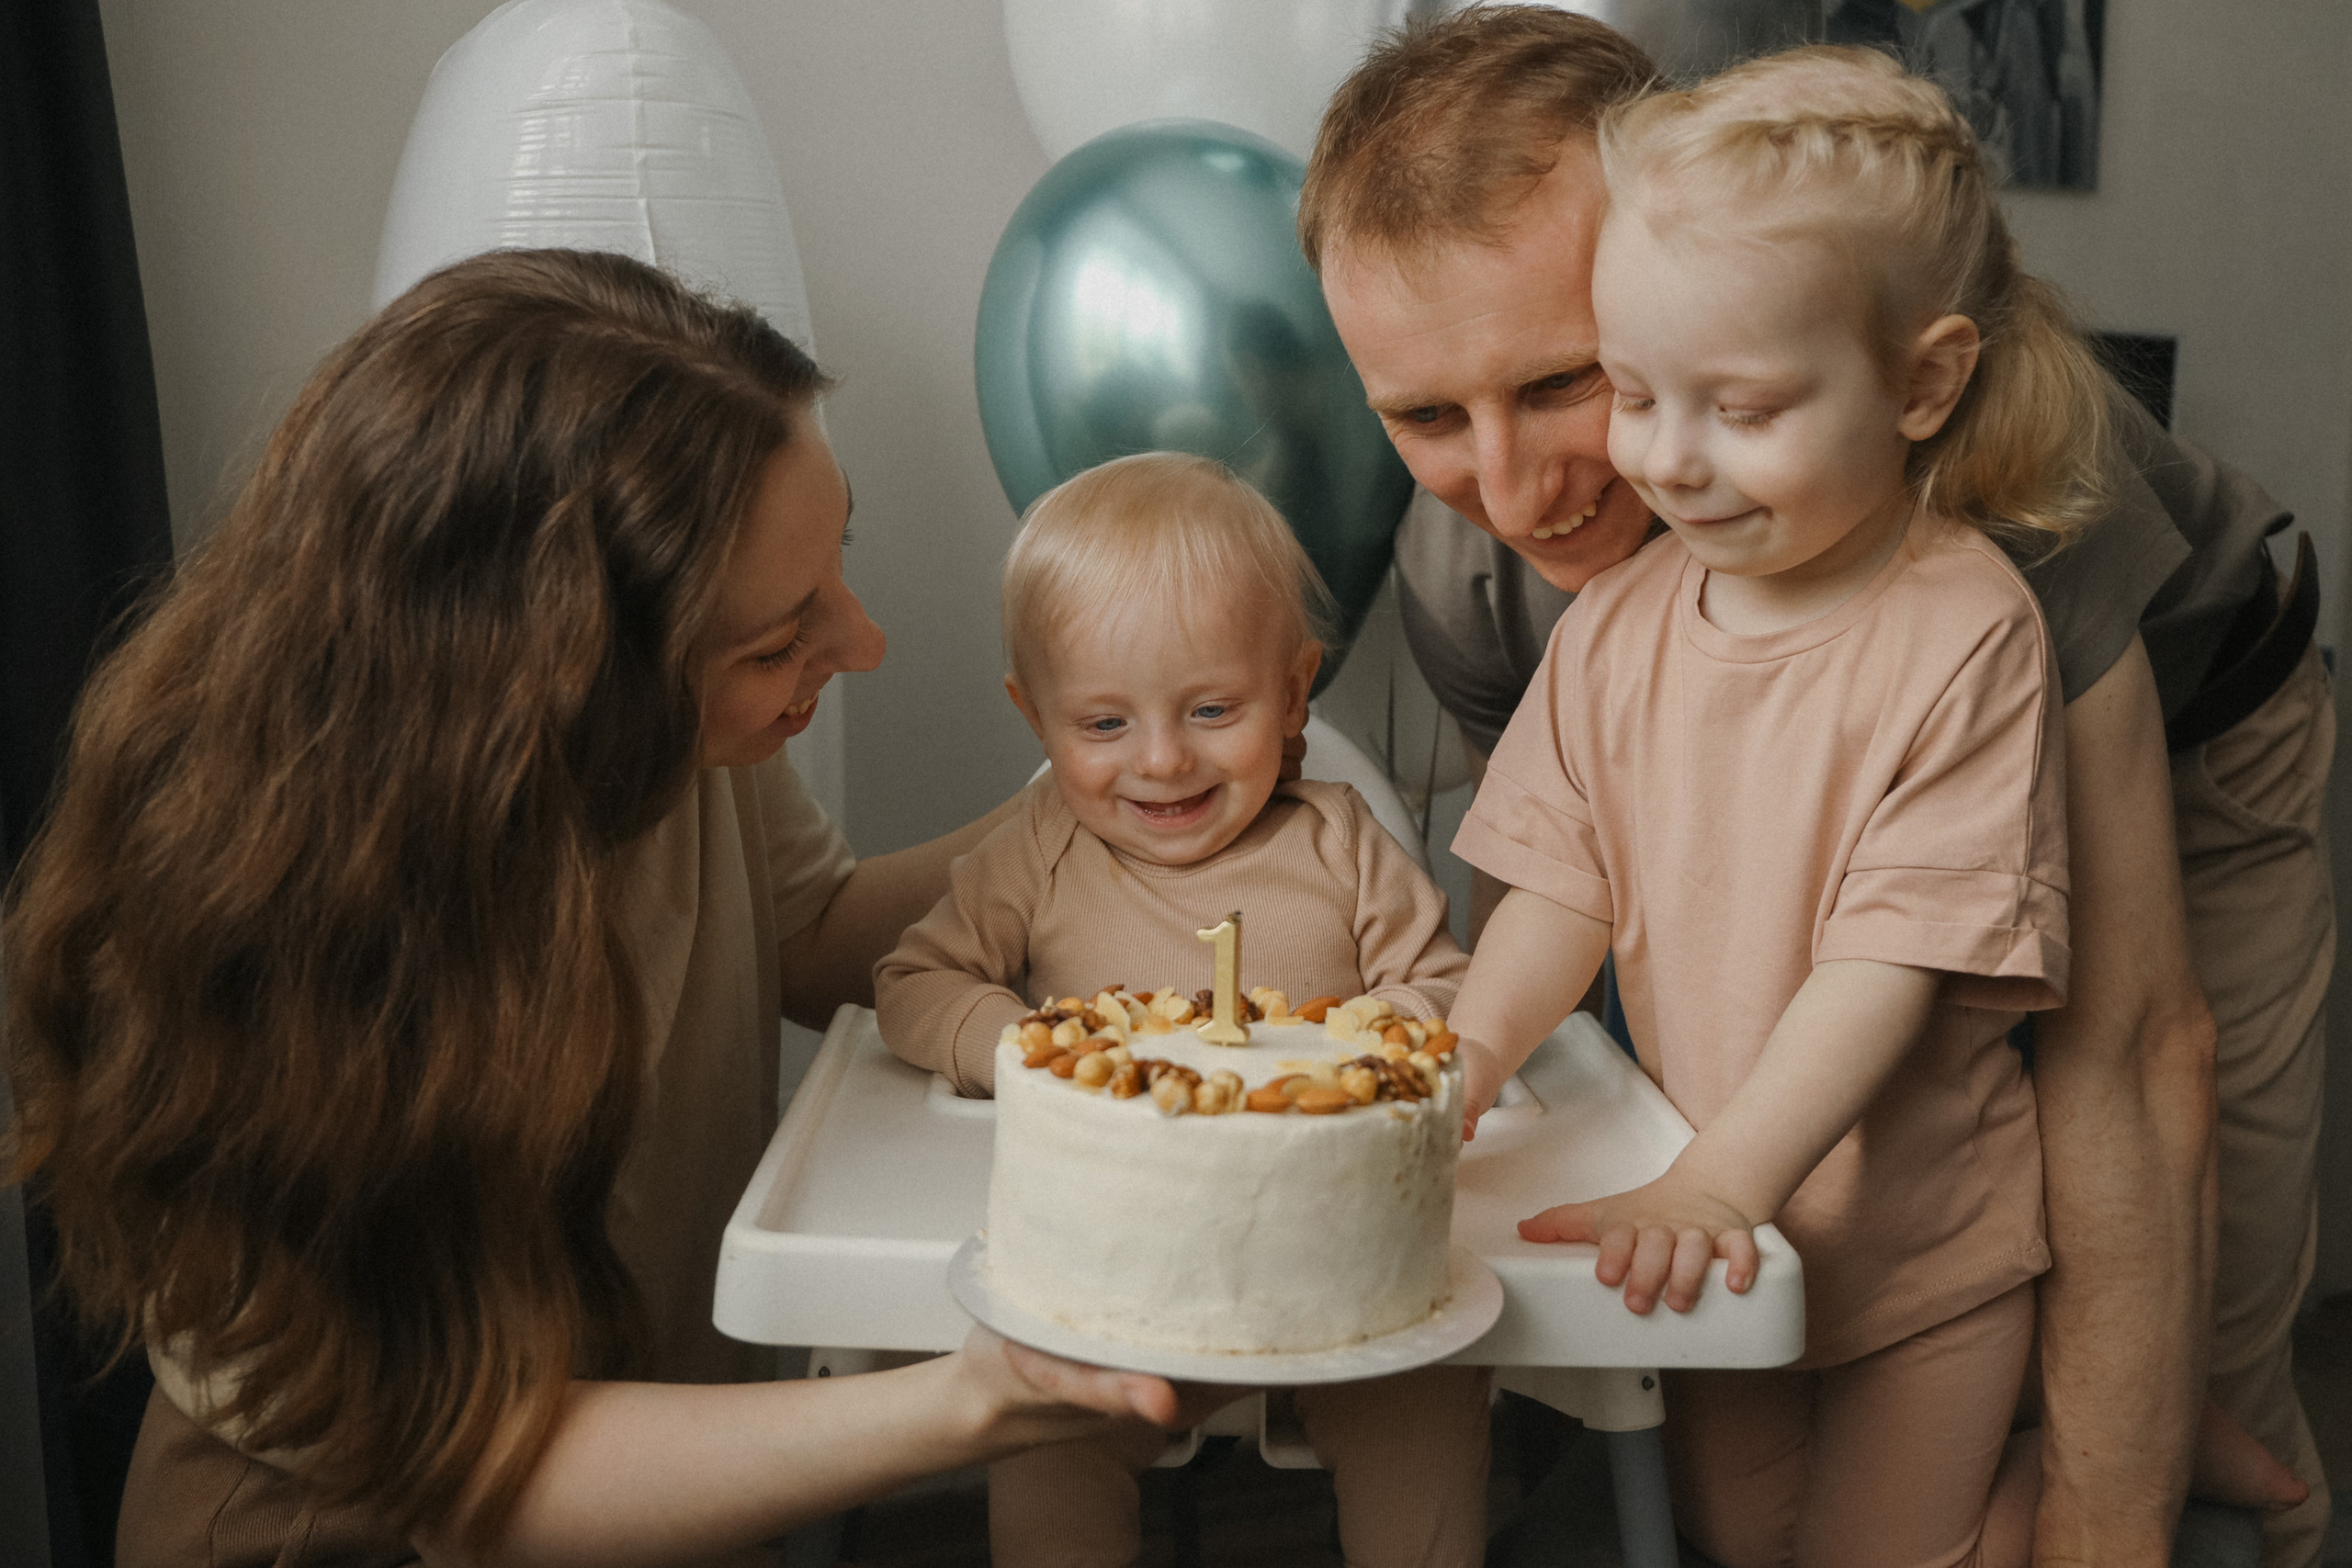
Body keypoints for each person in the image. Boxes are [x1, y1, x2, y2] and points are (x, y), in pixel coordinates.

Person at [1305, 9, 2331, 1563]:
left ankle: (2197, 1448)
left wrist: (2101, 1511)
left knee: (2187, 1307)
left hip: (2189, 720)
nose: (1510, 492)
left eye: (1561, 380)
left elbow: (2129, 1045)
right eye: (1427, 416)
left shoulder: (1990, 518)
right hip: (1848, 852)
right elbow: (1609, 902)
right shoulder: (1494, 580)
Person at [3, 249, 1208, 1568]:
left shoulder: (681, 738)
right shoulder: (268, 948)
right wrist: (976, 1396)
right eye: (778, 639)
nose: (860, 643)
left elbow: (810, 937)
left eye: (837, 565)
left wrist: (1095, 793)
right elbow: (476, 1471)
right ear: (557, 681)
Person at [1445, 46, 2090, 1562]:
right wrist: (1467, 1049)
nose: (1668, 458)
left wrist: (1723, 1178)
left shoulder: (1966, 634)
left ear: (1923, 384)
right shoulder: (1616, 624)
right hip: (1716, 1240)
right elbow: (1562, 882)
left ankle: (2103, 1462)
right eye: (1633, 393)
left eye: (1739, 408)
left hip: (1917, 1258)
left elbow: (1887, 963)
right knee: (1744, 1538)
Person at [874, 451, 1488, 1568]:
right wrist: (1027, 1047)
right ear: (1034, 715)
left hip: (1330, 1259)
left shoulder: (1339, 842)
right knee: (1037, 1424)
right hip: (1108, 1271)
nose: (1161, 760)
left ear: (1293, 693)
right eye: (1102, 724)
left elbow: (1446, 990)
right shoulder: (1036, 851)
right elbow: (913, 984)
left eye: (1211, 709)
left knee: (1431, 1399)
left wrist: (1354, 1046)